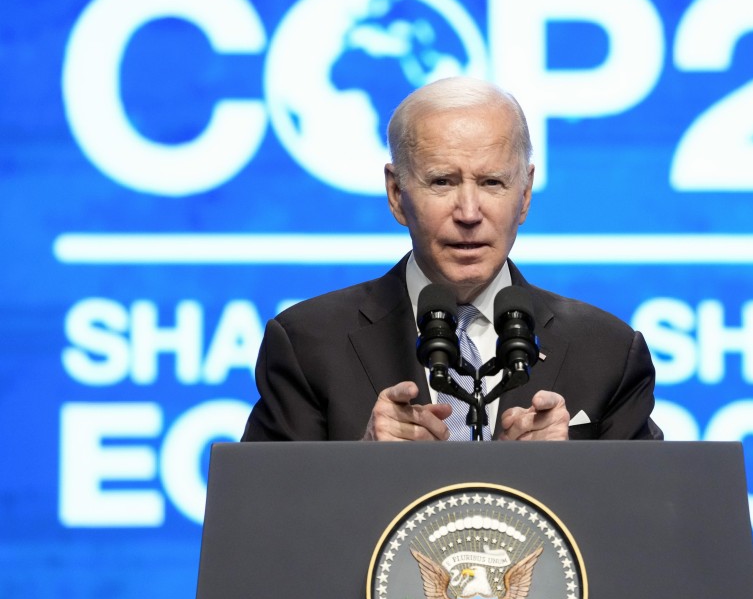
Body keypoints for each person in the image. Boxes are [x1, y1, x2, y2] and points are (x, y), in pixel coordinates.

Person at [241, 76, 662, 442]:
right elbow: (259, 522)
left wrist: (558, 476)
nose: (469, 213)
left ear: (525, 195)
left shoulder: (607, 352)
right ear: (396, 194)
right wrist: (363, 460)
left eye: (492, 182)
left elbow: (651, 522)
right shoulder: (307, 345)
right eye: (442, 181)